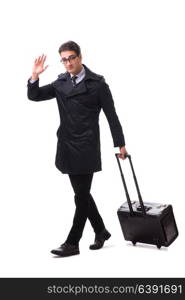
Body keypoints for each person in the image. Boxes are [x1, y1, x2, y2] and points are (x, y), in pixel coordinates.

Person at [27, 41, 128, 257]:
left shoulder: (98, 84)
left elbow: (112, 116)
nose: (68, 62)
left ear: (80, 57)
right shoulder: (61, 82)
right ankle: (101, 231)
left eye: (72, 57)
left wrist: (120, 143)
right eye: (64, 59)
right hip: (67, 146)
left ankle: (72, 243)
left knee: (80, 196)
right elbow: (34, 96)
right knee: (81, 193)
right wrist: (35, 77)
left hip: (87, 146)